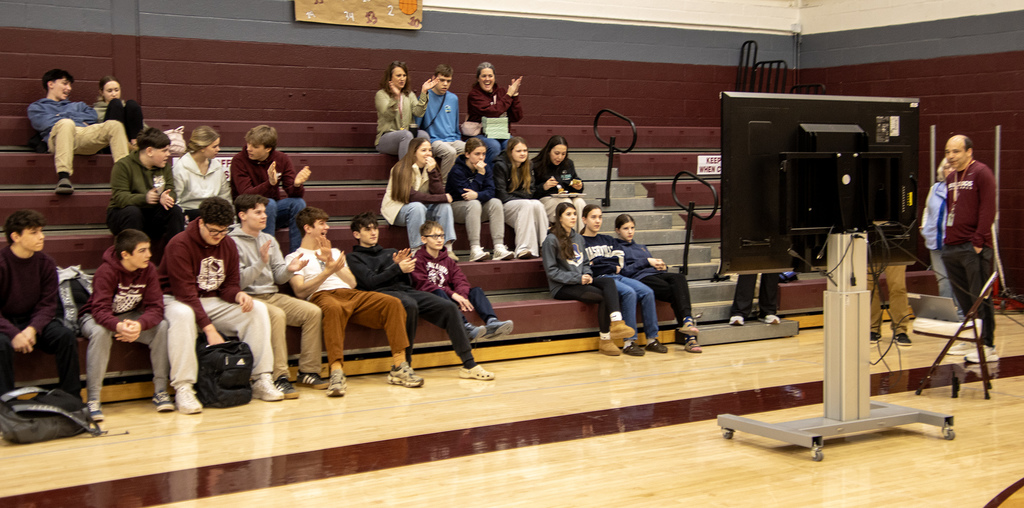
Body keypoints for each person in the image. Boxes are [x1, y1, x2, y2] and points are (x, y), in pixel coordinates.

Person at [160, 197, 283, 414]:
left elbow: (229, 285)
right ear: (200, 222)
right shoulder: (179, 244)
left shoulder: (227, 243)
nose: (218, 236)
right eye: (213, 231)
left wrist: (238, 295)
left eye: (223, 231)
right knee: (183, 315)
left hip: (212, 299)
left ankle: (261, 378)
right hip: (175, 299)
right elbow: (186, 294)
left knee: (257, 309)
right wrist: (209, 329)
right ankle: (184, 387)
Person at [284, 207, 422, 396]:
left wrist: (333, 263)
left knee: (392, 302)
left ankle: (399, 366)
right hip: (321, 296)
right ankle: (336, 372)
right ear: (308, 228)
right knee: (333, 308)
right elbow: (300, 291)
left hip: (350, 294)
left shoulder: (334, 251)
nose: (327, 227)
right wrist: (327, 271)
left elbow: (352, 282)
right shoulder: (294, 257)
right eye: (322, 224)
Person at [348, 212, 495, 380]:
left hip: (405, 291)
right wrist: (396, 268)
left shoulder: (391, 252)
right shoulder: (352, 258)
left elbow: (407, 280)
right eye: (367, 230)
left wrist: (403, 269)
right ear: (356, 234)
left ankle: (469, 364)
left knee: (447, 306)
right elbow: (370, 283)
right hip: (380, 296)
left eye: (375, 228)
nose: (373, 233)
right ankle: (404, 366)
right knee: (408, 305)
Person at [229, 195, 326, 398]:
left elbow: (279, 277)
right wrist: (260, 263)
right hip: (247, 298)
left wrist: (290, 269)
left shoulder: (269, 239)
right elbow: (238, 282)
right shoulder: (232, 242)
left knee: (312, 312)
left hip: (271, 294)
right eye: (258, 212)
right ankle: (279, 376)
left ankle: (308, 371)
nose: (265, 216)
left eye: (264, 211)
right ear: (242, 215)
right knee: (277, 316)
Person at [79, 229, 171, 421]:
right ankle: (93, 400)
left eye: (149, 249)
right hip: (95, 318)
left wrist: (139, 325)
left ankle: (160, 391)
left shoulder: (149, 270)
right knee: (100, 333)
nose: (149, 255)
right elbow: (99, 311)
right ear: (125, 255)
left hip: (128, 317)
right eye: (143, 251)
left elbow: (156, 308)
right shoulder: (106, 272)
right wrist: (118, 326)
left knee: (161, 327)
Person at [0, 210, 80, 397]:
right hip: (4, 322)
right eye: (34, 232)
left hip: (33, 320)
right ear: (15, 236)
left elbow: (48, 305)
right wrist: (14, 333)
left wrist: (31, 330)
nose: (41, 236)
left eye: (41, 231)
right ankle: (5, 403)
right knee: (1, 344)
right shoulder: (2, 263)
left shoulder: (46, 263)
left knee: (65, 337)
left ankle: (72, 399)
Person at [542, 202, 634, 356]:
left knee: (608, 282)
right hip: (562, 286)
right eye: (568, 214)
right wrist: (578, 278)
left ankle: (617, 322)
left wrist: (588, 274)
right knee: (603, 296)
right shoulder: (550, 240)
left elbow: (585, 262)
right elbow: (552, 272)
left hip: (581, 280)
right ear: (559, 218)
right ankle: (605, 341)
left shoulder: (578, 237)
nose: (573, 217)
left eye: (574, 214)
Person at [941, 135, 997, 362]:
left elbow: (988, 208)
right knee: (963, 299)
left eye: (956, 151)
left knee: (979, 297)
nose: (951, 156)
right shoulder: (951, 177)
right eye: (947, 152)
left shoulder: (982, 173)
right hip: (952, 246)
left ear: (969, 152)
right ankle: (971, 338)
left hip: (973, 247)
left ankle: (988, 345)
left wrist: (978, 241)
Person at [28, 69, 130, 195]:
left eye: (70, 85)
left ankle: (125, 178)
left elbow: (92, 117)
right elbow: (44, 123)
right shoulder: (37, 107)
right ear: (51, 84)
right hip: (59, 139)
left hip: (83, 135)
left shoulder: (79, 106)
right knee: (66, 123)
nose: (69, 88)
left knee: (115, 125)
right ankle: (63, 178)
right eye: (65, 83)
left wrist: (61, 115)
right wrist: (72, 118)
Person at [411, 221, 515, 342]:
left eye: (442, 236)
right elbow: (422, 285)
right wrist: (453, 294)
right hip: (432, 299)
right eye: (434, 236)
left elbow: (460, 279)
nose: (439, 240)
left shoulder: (448, 260)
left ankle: (492, 322)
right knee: (438, 291)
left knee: (476, 291)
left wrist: (462, 297)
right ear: (424, 239)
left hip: (450, 298)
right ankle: (465, 327)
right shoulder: (417, 260)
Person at [580, 206, 663, 356]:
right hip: (601, 279)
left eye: (600, 217)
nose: (598, 221)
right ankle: (629, 342)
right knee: (629, 292)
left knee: (647, 292)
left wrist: (600, 262)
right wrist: (606, 264)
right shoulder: (580, 241)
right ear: (584, 219)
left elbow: (620, 263)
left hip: (618, 276)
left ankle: (652, 339)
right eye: (593, 217)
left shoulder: (609, 239)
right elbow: (588, 267)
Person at [615, 213, 702, 353]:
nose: (630, 231)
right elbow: (624, 271)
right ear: (618, 230)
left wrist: (662, 266)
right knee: (676, 293)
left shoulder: (642, 247)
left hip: (655, 274)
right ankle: (689, 338)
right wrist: (647, 262)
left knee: (679, 278)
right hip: (639, 279)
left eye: (632, 228)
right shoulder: (617, 248)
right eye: (626, 228)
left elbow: (650, 265)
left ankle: (687, 320)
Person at [106, 126, 186, 266]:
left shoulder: (164, 167)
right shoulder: (123, 165)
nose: (168, 154)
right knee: (132, 212)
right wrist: (144, 198)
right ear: (149, 151)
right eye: (164, 151)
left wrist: (166, 197)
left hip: (152, 216)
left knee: (175, 211)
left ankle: (174, 262)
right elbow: (120, 197)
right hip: (123, 215)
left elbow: (170, 189)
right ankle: (133, 261)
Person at [230, 125, 310, 253]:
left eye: (255, 147)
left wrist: (296, 184)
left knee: (298, 203)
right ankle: (269, 253)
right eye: (248, 144)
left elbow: (293, 193)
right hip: (248, 213)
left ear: (268, 149)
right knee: (269, 204)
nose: (249, 149)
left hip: (273, 211)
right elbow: (246, 195)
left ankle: (297, 254)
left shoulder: (281, 159)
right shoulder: (239, 160)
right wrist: (270, 183)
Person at [381, 137, 457, 254]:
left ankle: (447, 249)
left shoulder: (430, 167)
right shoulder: (401, 168)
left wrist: (433, 173)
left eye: (430, 150)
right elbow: (410, 196)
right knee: (417, 206)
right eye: (423, 150)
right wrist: (442, 197)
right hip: (397, 209)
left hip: (421, 208)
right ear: (414, 152)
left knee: (444, 206)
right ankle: (417, 250)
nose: (428, 153)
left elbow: (438, 194)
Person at [446, 138, 513, 262]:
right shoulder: (457, 170)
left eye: (483, 154)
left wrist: (477, 194)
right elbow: (466, 194)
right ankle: (475, 248)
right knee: (473, 203)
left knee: (495, 202)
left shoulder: (485, 168)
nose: (481, 158)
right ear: (467, 154)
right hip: (457, 209)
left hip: (476, 207)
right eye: (477, 154)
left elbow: (491, 192)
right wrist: (480, 176)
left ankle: (499, 247)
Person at [493, 136, 548, 259]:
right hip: (504, 207)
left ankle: (545, 245)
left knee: (538, 204)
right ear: (510, 152)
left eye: (525, 150)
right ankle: (524, 248)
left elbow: (531, 192)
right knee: (527, 204)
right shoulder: (500, 165)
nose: (523, 154)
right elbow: (502, 195)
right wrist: (521, 197)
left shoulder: (528, 165)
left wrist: (520, 196)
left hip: (521, 205)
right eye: (519, 151)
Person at [921, 159, 962, 316]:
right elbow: (927, 210)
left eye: (953, 166)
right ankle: (947, 314)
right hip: (935, 243)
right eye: (946, 167)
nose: (949, 169)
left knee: (957, 281)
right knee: (943, 281)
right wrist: (924, 228)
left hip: (955, 243)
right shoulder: (935, 188)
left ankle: (962, 314)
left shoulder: (963, 189)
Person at [374, 61, 437, 160]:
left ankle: (424, 170)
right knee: (406, 135)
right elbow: (388, 116)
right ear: (390, 78)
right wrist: (395, 98)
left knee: (423, 135)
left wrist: (424, 92)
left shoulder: (409, 94)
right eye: (398, 75)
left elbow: (419, 113)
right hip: (386, 139)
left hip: (407, 136)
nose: (402, 78)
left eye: (404, 75)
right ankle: (405, 173)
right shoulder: (381, 94)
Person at [467, 62, 523, 165]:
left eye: (490, 76)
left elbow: (516, 117)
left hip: (501, 134)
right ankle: (489, 178)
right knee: (494, 146)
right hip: (480, 134)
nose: (487, 79)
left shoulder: (502, 93)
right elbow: (492, 112)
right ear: (478, 79)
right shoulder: (474, 95)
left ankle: (508, 178)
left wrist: (514, 96)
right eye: (484, 76)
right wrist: (509, 95)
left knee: (514, 145)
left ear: (494, 78)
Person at [417, 64, 465, 180]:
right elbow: (417, 123)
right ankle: (443, 185)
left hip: (452, 139)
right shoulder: (425, 97)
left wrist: (458, 139)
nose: (445, 84)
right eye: (442, 80)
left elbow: (455, 125)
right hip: (434, 141)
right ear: (434, 79)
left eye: (448, 81)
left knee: (471, 148)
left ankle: (462, 182)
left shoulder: (453, 99)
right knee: (450, 152)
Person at [173, 126, 230, 222]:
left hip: (214, 212)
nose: (218, 149)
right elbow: (176, 200)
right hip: (190, 213)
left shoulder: (217, 167)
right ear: (202, 148)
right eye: (214, 146)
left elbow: (225, 196)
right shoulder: (181, 168)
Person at [531, 135, 587, 227]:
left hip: (566, 197)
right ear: (548, 151)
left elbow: (573, 181)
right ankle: (568, 237)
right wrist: (544, 187)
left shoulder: (568, 164)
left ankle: (580, 237)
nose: (560, 157)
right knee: (566, 203)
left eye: (563, 154)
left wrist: (578, 187)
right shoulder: (536, 165)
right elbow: (530, 193)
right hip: (545, 199)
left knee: (579, 202)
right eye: (556, 153)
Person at [867, 260, 911, 347]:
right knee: (869, 286)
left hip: (895, 248)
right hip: (870, 248)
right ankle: (873, 328)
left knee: (898, 286)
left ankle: (900, 330)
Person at [93, 76, 145, 147]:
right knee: (115, 104)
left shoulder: (127, 108)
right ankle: (124, 145)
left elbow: (142, 126)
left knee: (132, 104)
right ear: (102, 92)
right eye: (109, 91)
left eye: (116, 90)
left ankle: (135, 144)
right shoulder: (96, 110)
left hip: (131, 142)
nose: (114, 94)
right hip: (109, 143)